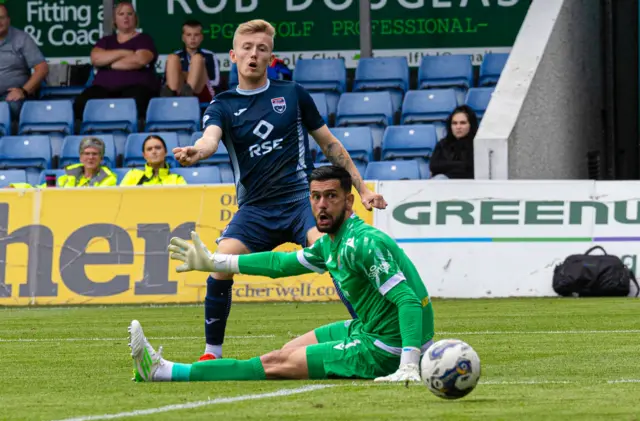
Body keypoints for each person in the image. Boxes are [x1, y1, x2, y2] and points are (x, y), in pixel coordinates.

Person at [172, 19, 387, 363]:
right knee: (219, 263)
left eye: (261, 48)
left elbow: (330, 145)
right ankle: (212, 353)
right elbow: (209, 139)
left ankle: (372, 331)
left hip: (300, 201)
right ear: (233, 55)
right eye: (247, 48)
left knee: (334, 254)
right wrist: (197, 151)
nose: (253, 54)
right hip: (255, 209)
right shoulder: (222, 105)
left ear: (271, 56)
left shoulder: (292, 94)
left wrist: (362, 190)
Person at [129, 166, 434, 383]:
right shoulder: (331, 242)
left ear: (349, 200)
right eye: (315, 197)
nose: (322, 206)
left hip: (384, 347)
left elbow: (407, 301)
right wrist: (215, 262)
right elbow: (281, 265)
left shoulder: (363, 243)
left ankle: (162, 371)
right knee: (288, 352)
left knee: (274, 364)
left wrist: (407, 361)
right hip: (368, 328)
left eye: (331, 196)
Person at [73, 2, 159, 121]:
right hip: (103, 88)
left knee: (136, 102)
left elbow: (140, 60)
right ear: (114, 19)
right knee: (81, 103)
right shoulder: (106, 41)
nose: (125, 17)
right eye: (121, 14)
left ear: (135, 18)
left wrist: (108, 63)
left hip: (135, 88)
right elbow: (96, 59)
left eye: (129, 14)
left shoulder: (144, 39)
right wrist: (125, 53)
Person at [0, 3, 49, 120]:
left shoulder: (22, 38)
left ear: (8, 20)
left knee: (8, 108)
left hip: (12, 97)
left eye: (1, 18)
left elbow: (42, 68)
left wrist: (23, 91)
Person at [161, 19, 220, 103]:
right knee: (172, 58)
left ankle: (187, 93)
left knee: (197, 58)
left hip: (202, 92)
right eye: (189, 35)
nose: (192, 38)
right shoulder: (177, 56)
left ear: (201, 37)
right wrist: (187, 76)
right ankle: (171, 100)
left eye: (196, 35)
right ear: (183, 37)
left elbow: (215, 82)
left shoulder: (210, 55)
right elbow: (165, 82)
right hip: (178, 90)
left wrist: (192, 75)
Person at [429, 105, 478, 180]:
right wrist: (461, 165)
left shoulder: (477, 145)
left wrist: (447, 166)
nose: (458, 127)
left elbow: (472, 169)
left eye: (463, 123)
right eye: (454, 123)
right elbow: (434, 166)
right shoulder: (442, 144)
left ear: (471, 125)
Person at [119, 135, 187, 186]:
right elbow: (120, 199)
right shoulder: (132, 175)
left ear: (165, 152)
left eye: (158, 148)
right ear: (144, 155)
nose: (154, 151)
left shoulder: (177, 180)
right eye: (149, 149)